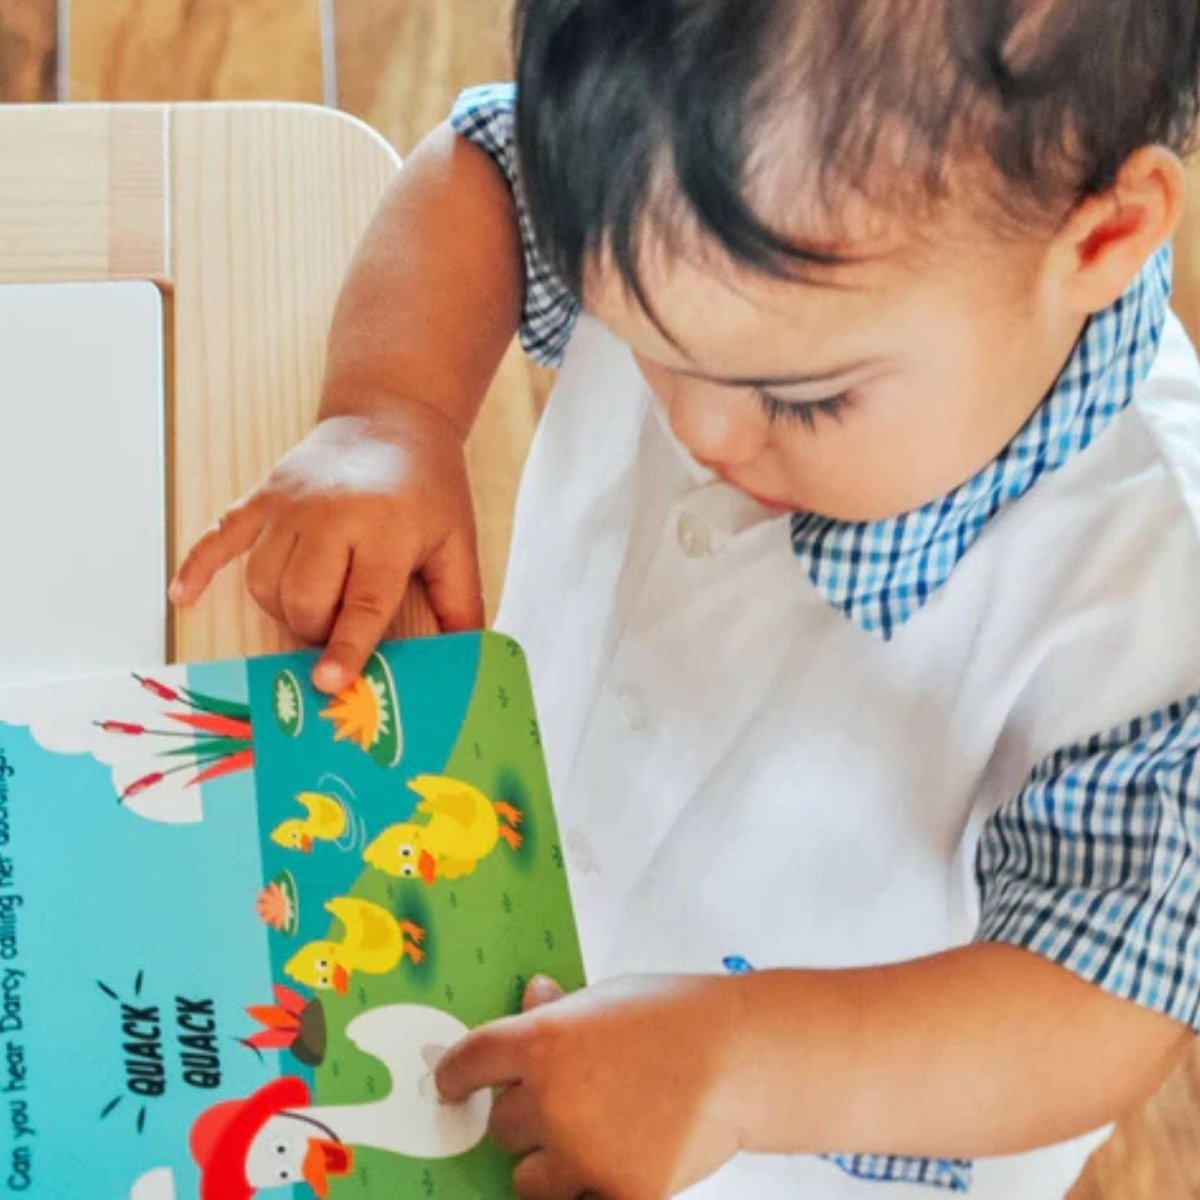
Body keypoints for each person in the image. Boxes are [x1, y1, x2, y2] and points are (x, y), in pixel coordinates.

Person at [170, 2, 1200, 1196]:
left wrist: (740, 1069)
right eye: (638, 333)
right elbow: (483, 169)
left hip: (789, 1147)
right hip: (517, 892)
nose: (698, 427)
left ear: (1101, 238)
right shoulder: (678, 183)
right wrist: (393, 408)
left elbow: (1100, 999)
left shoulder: (1157, 596)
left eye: (802, 397)